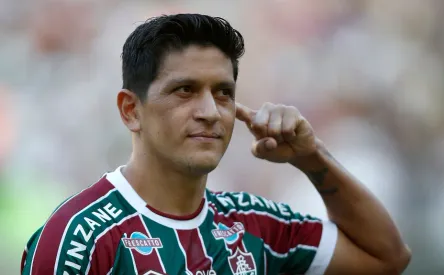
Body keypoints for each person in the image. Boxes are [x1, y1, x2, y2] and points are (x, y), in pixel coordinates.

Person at [21, 14, 411, 275]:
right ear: (130, 110)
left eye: (223, 92)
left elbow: (387, 257)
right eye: (184, 90)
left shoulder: (254, 225)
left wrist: (311, 157)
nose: (210, 111)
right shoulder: (78, 237)